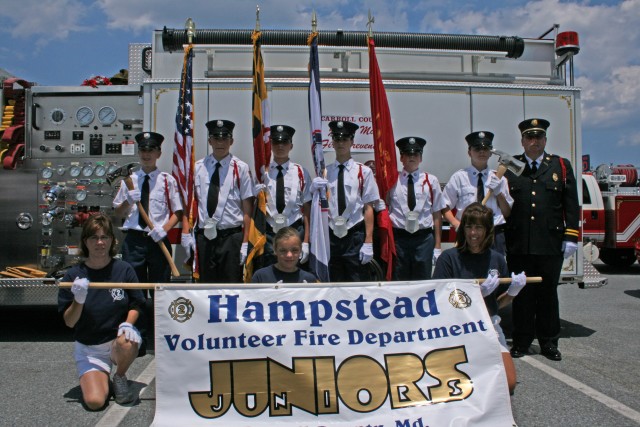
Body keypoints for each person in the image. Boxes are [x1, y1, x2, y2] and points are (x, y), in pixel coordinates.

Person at [505, 118, 579, 361]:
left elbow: (570, 204)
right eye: (529, 137)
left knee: (548, 294)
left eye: (538, 137)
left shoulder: (560, 166)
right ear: (523, 141)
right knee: (522, 294)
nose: (534, 142)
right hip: (520, 243)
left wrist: (571, 236)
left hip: (549, 243)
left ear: (545, 139)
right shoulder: (512, 166)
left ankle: (549, 342)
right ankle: (522, 341)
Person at [432, 203, 527, 394]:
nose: (473, 233)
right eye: (468, 227)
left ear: (488, 230)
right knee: (459, 385)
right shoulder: (449, 259)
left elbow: (497, 304)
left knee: (508, 383)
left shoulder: (497, 259)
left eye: (479, 227)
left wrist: (513, 293)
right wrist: (476, 296)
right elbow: (440, 302)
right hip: (457, 327)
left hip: (489, 324)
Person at [58, 214, 146, 409]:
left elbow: (137, 303)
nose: (99, 242)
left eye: (104, 237)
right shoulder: (73, 275)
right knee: (95, 402)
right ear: (85, 242)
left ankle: (120, 376)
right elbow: (69, 322)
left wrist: (127, 324)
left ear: (112, 241)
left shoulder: (124, 270)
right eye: (93, 238)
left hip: (116, 341)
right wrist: (78, 300)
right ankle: (101, 378)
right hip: (89, 348)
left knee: (128, 340)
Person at [310, 120, 380, 282]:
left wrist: (368, 241)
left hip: (354, 235)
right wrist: (313, 190)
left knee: (356, 282)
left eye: (345, 139)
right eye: (337, 139)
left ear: (352, 141)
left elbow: (368, 208)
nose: (341, 143)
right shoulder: (324, 172)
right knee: (333, 282)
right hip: (331, 236)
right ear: (332, 142)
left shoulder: (364, 172)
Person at [187, 119, 254, 283]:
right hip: (205, 238)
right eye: (216, 138)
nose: (220, 142)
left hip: (231, 238)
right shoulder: (198, 167)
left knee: (232, 285)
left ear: (231, 141)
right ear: (210, 141)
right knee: (205, 286)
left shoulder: (241, 168)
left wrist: (245, 242)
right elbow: (190, 204)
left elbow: (247, 210)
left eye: (224, 138)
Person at [113, 131, 183, 283]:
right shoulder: (129, 181)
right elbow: (118, 213)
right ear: (138, 152)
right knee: (134, 287)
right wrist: (128, 201)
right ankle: (138, 308)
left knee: (160, 287)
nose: (147, 154)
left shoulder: (167, 181)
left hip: (158, 239)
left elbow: (178, 212)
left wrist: (164, 229)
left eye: (151, 150)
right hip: (134, 241)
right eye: (143, 150)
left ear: (158, 153)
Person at [443, 131, 513, 254]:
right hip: (468, 233)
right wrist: (456, 224)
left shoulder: (499, 178)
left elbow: (506, 212)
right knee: (466, 271)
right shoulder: (459, 177)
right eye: (477, 148)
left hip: (493, 233)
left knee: (494, 271)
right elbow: (444, 206)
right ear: (469, 152)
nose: (482, 152)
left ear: (490, 153)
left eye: (486, 149)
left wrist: (498, 193)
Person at [388, 136, 446, 280]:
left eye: (416, 154)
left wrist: (438, 246)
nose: (412, 157)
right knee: (399, 278)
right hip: (399, 238)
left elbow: (437, 213)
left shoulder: (430, 180)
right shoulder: (392, 180)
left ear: (421, 158)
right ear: (401, 157)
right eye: (408, 154)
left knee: (422, 279)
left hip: (423, 239)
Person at [254, 125, 312, 268]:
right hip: (269, 234)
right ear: (271, 145)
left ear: (291, 145)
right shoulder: (262, 173)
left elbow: (307, 210)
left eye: (284, 142)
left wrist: (305, 241)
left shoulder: (301, 173)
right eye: (276, 142)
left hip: (294, 230)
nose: (280, 146)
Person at [251, 226, 319, 283]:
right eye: (283, 250)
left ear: (301, 250)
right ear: (275, 250)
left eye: (294, 250)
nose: (289, 255)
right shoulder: (260, 277)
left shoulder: (309, 279)